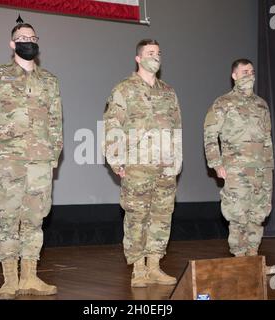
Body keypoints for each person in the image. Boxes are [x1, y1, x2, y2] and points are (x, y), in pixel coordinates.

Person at [0, 20, 63, 299]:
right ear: (12, 44)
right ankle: (10, 280)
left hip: (40, 163)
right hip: (6, 162)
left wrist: (53, 157)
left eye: (32, 36)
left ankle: (30, 277)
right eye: (22, 37)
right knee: (9, 221)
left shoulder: (49, 80)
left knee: (35, 221)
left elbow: (56, 122)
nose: (28, 40)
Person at [103, 39, 183, 288]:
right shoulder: (124, 89)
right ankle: (138, 268)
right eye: (150, 53)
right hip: (137, 165)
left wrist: (177, 159)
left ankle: (155, 265)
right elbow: (111, 126)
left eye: (158, 53)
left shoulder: (168, 92)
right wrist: (117, 161)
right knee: (137, 216)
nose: (156, 57)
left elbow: (177, 127)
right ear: (138, 58)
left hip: (165, 166)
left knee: (162, 216)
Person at [203, 59, 275, 272]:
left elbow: (268, 138)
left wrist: (269, 167)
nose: (250, 75)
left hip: (262, 169)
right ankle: (240, 261)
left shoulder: (262, 104)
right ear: (234, 76)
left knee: (258, 214)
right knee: (238, 214)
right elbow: (209, 134)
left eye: (252, 71)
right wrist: (216, 164)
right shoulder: (223, 103)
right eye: (244, 72)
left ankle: (254, 261)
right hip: (236, 169)